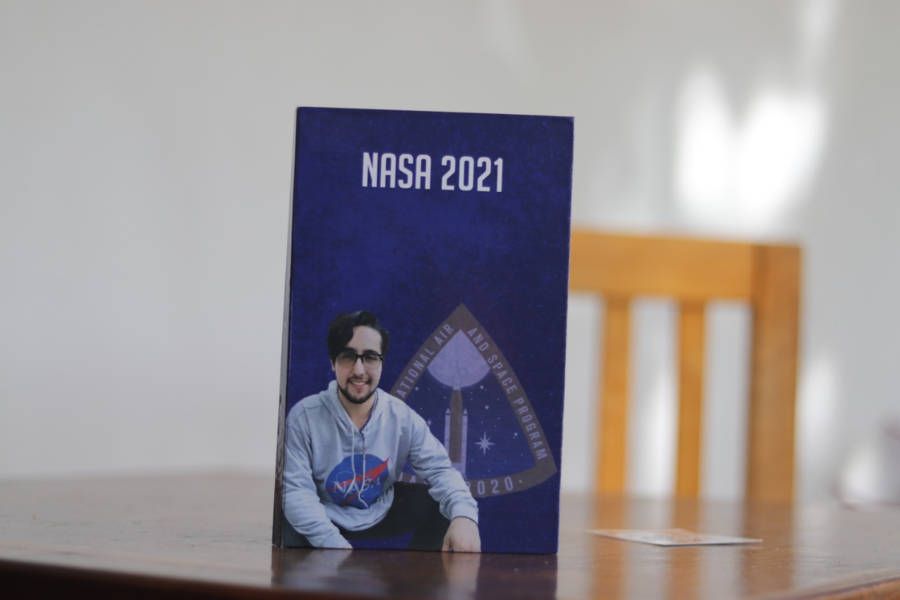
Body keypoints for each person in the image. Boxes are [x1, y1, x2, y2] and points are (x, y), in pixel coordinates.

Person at [283, 310, 481, 551]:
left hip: (380, 509)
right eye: (347, 356)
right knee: (289, 517)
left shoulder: (402, 417)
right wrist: (336, 549)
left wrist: (465, 517)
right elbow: (297, 491)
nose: (359, 370)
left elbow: (441, 471)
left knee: (445, 509)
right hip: (324, 512)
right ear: (332, 363)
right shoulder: (303, 417)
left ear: (381, 363)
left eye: (370, 357)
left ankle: (417, 575)